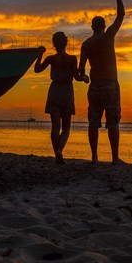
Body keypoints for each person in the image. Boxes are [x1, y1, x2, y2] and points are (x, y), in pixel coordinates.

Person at [79, 0, 125, 164]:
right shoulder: (108, 37)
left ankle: (94, 157)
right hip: (110, 86)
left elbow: (81, 70)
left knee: (93, 123)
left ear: (92, 27)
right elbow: (121, 15)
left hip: (95, 87)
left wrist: (84, 78)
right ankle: (114, 158)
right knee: (113, 122)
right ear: (104, 26)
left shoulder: (87, 44)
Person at [35, 32, 89, 164]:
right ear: (66, 43)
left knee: (55, 126)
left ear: (54, 44)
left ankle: (57, 154)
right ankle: (59, 151)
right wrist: (85, 78)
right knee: (66, 127)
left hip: (54, 91)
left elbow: (37, 69)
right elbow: (77, 77)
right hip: (66, 92)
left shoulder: (51, 59)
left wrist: (40, 54)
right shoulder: (72, 59)